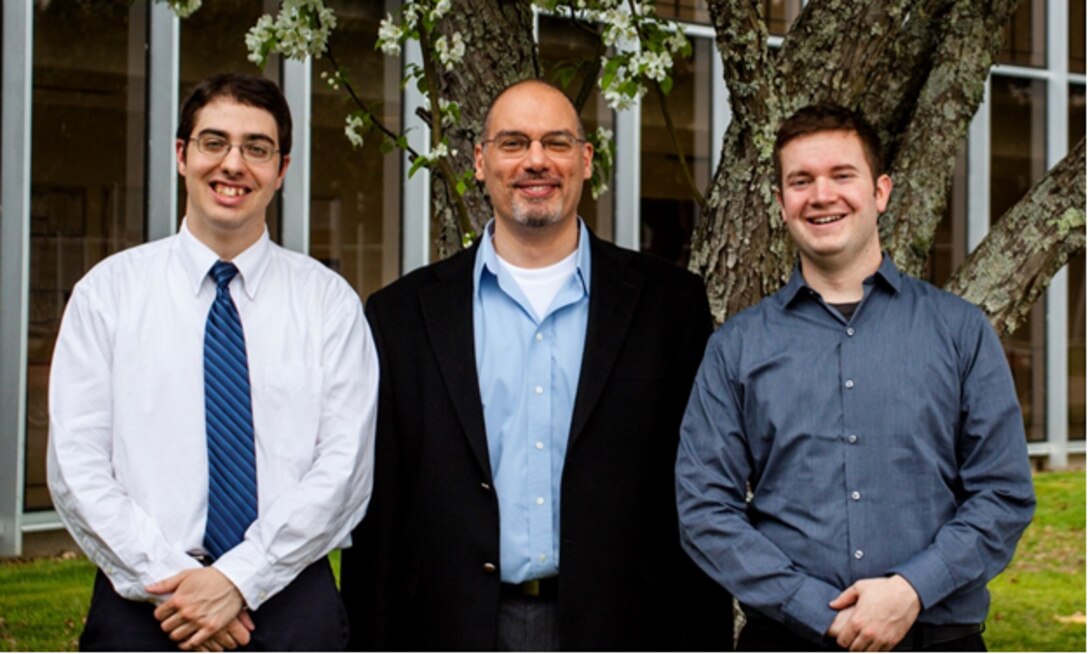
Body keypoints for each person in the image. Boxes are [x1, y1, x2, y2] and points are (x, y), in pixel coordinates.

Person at [339, 79, 731, 651]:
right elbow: (381, 511)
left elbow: (699, 490)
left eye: (557, 142)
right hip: (451, 628)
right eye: (513, 143)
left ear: (586, 160)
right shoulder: (403, 315)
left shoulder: (668, 307)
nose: (536, 161)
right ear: (480, 161)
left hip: (625, 627)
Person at [675, 103, 1036, 652]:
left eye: (842, 175)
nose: (822, 195)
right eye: (801, 181)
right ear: (781, 203)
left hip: (937, 638)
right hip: (788, 640)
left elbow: (1003, 494)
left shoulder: (960, 331)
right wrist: (814, 609)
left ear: (881, 192)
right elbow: (705, 510)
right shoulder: (737, 348)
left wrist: (914, 588)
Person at [47, 73, 378, 651]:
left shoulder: (329, 304)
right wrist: (181, 587)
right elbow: (78, 466)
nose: (233, 164)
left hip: (291, 603)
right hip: (144, 607)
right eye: (214, 142)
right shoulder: (107, 295)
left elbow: (344, 468)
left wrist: (238, 579)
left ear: (282, 169)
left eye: (257, 148)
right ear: (182, 155)